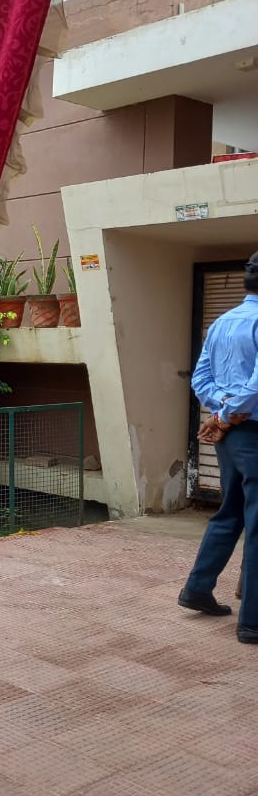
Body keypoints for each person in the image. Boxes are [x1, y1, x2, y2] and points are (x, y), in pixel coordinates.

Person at [179, 252, 258, 643]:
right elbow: (257, 386)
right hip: (250, 432)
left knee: (231, 513)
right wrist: (230, 415)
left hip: (230, 437)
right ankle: (253, 622)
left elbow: (201, 378)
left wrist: (222, 411)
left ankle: (198, 588)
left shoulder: (223, 322)